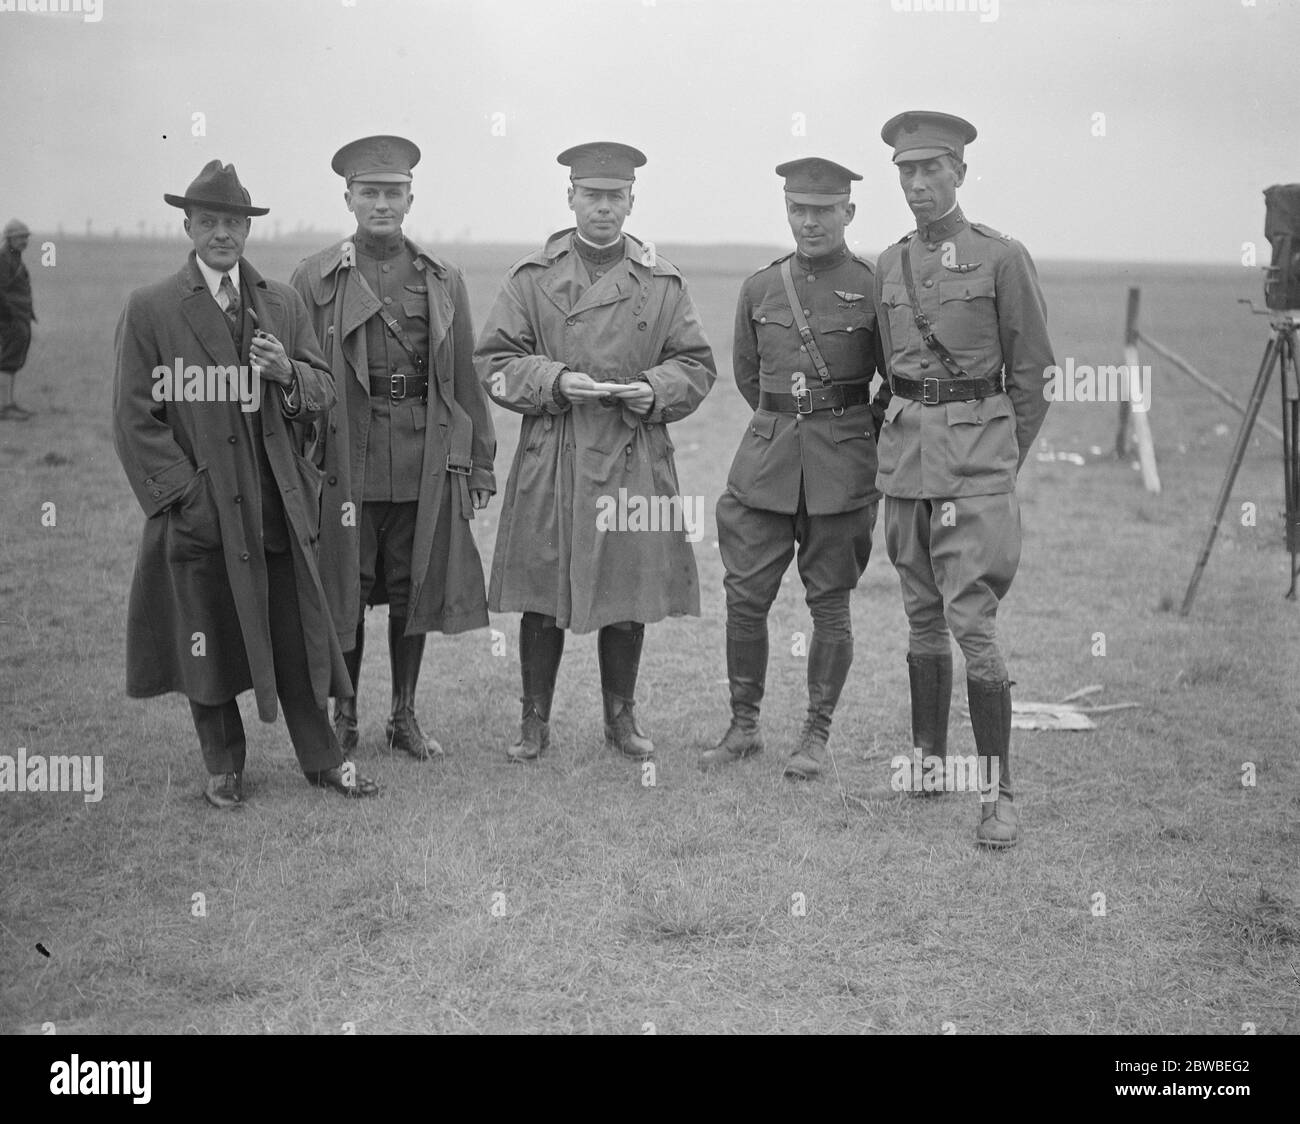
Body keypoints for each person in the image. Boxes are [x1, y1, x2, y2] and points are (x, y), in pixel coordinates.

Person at [113, 160, 378, 808]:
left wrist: (287, 372)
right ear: (189, 226)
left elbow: (322, 393)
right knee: (208, 636)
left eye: (233, 222)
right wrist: (186, 496)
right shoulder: (151, 310)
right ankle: (224, 764)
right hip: (203, 515)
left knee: (300, 639)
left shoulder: (279, 304)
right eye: (210, 222)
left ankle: (323, 760)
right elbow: (133, 418)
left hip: (276, 509)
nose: (222, 234)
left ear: (246, 228)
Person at [475, 141, 716, 764]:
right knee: (540, 587)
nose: (603, 208)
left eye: (615, 197)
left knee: (627, 587)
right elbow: (494, 364)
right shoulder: (531, 278)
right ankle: (533, 723)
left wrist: (653, 389)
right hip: (553, 450)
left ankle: (621, 719)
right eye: (592, 196)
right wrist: (553, 380)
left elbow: (695, 365)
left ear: (631, 200)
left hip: (633, 450)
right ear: (571, 198)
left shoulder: (661, 281)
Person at [873, 111, 1054, 847]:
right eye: (907, 172)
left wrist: (1000, 456)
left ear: (959, 173)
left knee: (971, 622)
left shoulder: (1001, 258)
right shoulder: (890, 264)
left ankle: (997, 794)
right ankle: (926, 761)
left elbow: (1034, 373)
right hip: (906, 462)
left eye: (931, 170)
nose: (918, 184)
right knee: (920, 616)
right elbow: (892, 369)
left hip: (976, 468)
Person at [291, 136, 496, 762]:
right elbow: (299, 373)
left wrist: (479, 460)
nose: (382, 203)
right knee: (345, 584)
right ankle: (345, 713)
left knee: (412, 586)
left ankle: (403, 714)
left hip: (419, 457)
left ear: (410, 198)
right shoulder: (314, 277)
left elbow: (462, 375)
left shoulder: (440, 278)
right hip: (344, 458)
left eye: (393, 192)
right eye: (369, 192)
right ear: (348, 197)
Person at [703, 158, 887, 780]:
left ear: (848, 213)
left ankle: (815, 734)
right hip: (767, 462)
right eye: (798, 209)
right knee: (744, 597)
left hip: (842, 469)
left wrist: (859, 428)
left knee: (830, 603)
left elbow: (896, 373)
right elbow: (750, 379)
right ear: (787, 210)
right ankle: (744, 727)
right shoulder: (760, 288)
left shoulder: (872, 284)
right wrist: (788, 420)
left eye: (823, 211)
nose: (809, 222)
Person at [0, 218, 37, 421]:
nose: (24, 241)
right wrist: (8, 316)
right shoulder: (3, 258)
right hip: (11, 318)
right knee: (8, 361)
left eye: (25, 237)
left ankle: (8, 404)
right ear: (9, 238)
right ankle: (4, 407)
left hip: (19, 316)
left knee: (13, 361)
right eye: (20, 237)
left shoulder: (14, 257)